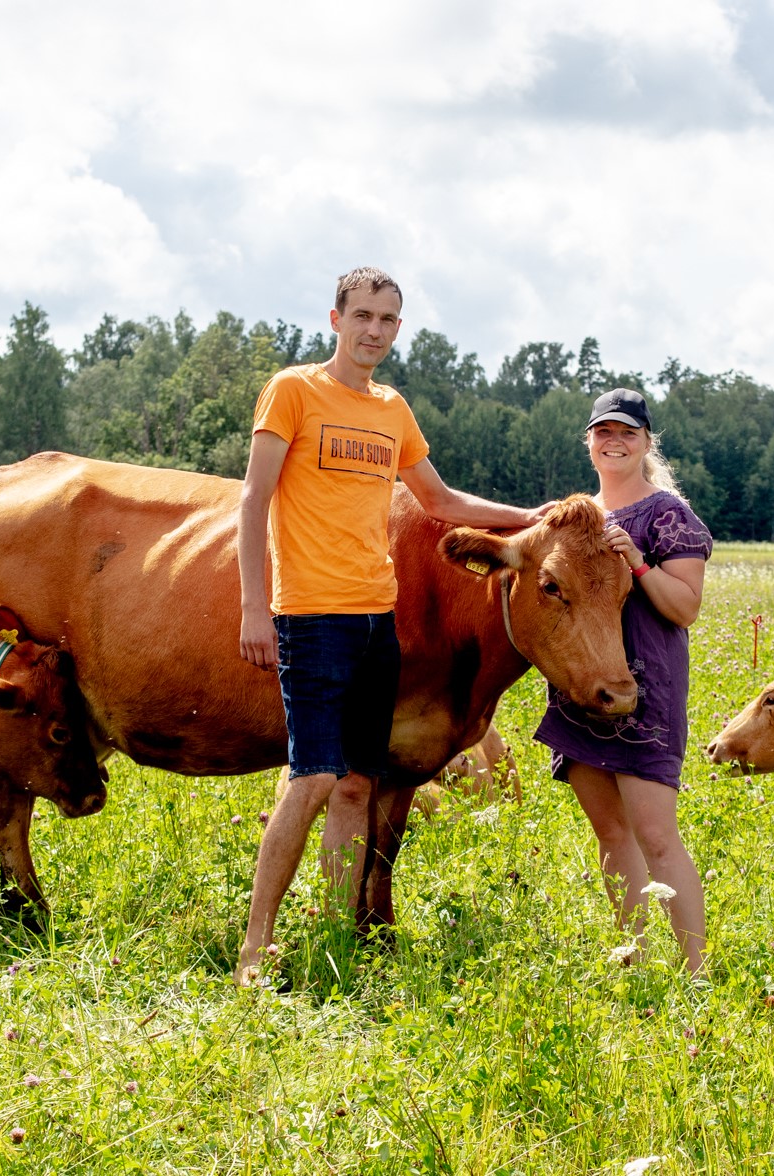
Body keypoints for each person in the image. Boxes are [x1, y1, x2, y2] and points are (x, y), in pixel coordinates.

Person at [235, 266, 544, 982]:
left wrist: (528, 519)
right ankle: (256, 947)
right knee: (310, 781)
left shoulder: (392, 409)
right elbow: (254, 502)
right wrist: (256, 605)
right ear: (336, 319)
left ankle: (338, 941)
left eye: (388, 320)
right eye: (364, 316)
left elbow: (436, 497)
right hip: (311, 616)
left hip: (380, 620)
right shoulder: (293, 391)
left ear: (397, 330)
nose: (375, 330)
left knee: (355, 786)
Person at [535, 387, 712, 972]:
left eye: (627, 433)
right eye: (603, 432)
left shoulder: (668, 516)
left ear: (645, 443)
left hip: (644, 690)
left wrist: (637, 560)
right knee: (611, 834)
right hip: (583, 689)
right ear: (589, 442)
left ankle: (695, 974)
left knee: (657, 837)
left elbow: (685, 607)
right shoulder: (574, 516)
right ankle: (633, 960)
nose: (615, 442)